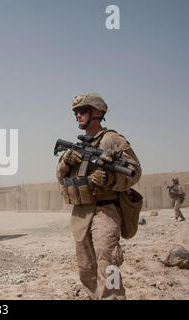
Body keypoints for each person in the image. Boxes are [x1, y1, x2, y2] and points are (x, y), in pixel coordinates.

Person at [56, 93, 142, 300]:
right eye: (75, 112)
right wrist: (66, 161)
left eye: (82, 111)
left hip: (106, 210)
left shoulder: (113, 139)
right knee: (86, 267)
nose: (78, 115)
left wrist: (110, 179)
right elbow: (60, 177)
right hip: (81, 213)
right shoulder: (76, 147)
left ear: (97, 112)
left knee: (109, 262)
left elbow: (135, 171)